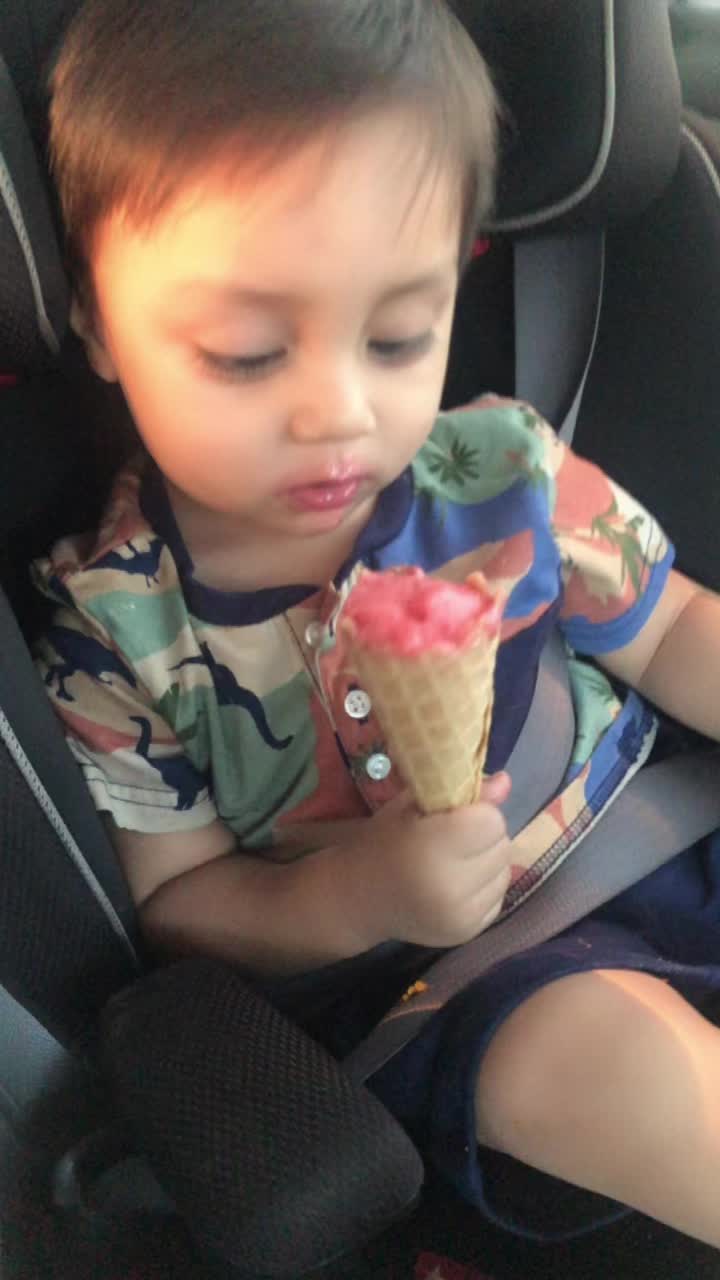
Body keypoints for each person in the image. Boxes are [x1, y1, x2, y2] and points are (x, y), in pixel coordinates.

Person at [33, 0, 720, 1249]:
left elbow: (672, 633)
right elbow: (182, 898)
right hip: (454, 979)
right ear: (96, 320)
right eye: (248, 353)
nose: (339, 412)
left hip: (652, 814)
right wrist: (357, 891)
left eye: (399, 336)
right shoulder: (116, 629)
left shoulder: (502, 465)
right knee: (608, 1066)